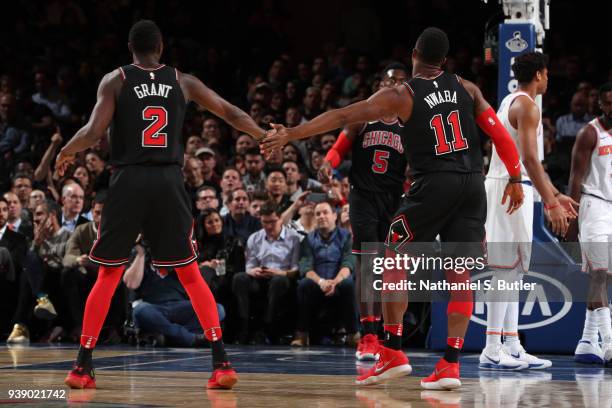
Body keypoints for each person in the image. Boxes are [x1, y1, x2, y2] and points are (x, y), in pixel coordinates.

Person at [262, 27, 524, 390]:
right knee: (459, 273)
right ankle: (450, 364)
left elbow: (342, 116)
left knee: (390, 259)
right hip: (472, 186)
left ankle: (392, 350)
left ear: (414, 52)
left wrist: (291, 133)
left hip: (433, 184)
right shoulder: (468, 88)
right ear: (445, 61)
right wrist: (514, 177)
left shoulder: (402, 94)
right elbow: (500, 135)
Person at [55, 20, 267, 390]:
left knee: (108, 274)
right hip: (169, 180)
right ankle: (221, 362)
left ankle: (82, 365)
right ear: (162, 47)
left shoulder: (116, 79)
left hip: (128, 180)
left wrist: (65, 150)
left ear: (129, 48)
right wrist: (264, 135)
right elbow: (230, 111)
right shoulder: (183, 81)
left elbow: (91, 132)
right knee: (190, 273)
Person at [480, 52, 577, 371]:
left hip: (516, 185)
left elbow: (532, 163)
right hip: (509, 188)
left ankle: (512, 343)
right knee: (504, 269)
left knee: (515, 269)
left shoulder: (512, 100)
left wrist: (555, 194)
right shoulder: (526, 106)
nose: (548, 79)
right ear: (539, 74)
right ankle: (492, 347)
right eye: (547, 74)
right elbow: (531, 161)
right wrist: (549, 203)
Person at [317, 62, 409, 362]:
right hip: (363, 197)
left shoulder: (409, 123)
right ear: (379, 85)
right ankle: (368, 334)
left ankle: (387, 333)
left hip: (395, 199)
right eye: (391, 80)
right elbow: (338, 149)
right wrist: (327, 165)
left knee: (392, 269)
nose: (395, 86)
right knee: (368, 264)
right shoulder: (363, 118)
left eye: (401, 82)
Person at [567, 82, 612, 365]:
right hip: (593, 206)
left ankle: (586, 341)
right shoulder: (589, 133)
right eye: (609, 102)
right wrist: (572, 220)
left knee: (606, 276)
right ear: (600, 105)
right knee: (598, 275)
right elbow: (575, 178)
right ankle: (608, 344)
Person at [232, 201, 300, 345]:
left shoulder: (293, 238)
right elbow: (249, 266)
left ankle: (269, 327)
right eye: (265, 222)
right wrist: (253, 271)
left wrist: (278, 272)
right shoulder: (254, 238)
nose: (269, 226)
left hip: (282, 277)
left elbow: (295, 269)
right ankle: (244, 326)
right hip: (260, 277)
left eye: (273, 222)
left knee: (278, 282)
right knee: (239, 278)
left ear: (281, 219)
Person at [291, 201, 358, 347]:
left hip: (339, 281)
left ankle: (353, 334)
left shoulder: (347, 237)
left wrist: (334, 281)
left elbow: (349, 263)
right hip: (317, 283)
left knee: (348, 283)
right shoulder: (308, 239)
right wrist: (321, 282)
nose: (321, 216)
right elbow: (305, 267)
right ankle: (302, 335)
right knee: (303, 284)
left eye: (325, 212)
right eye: (318, 214)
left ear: (335, 216)